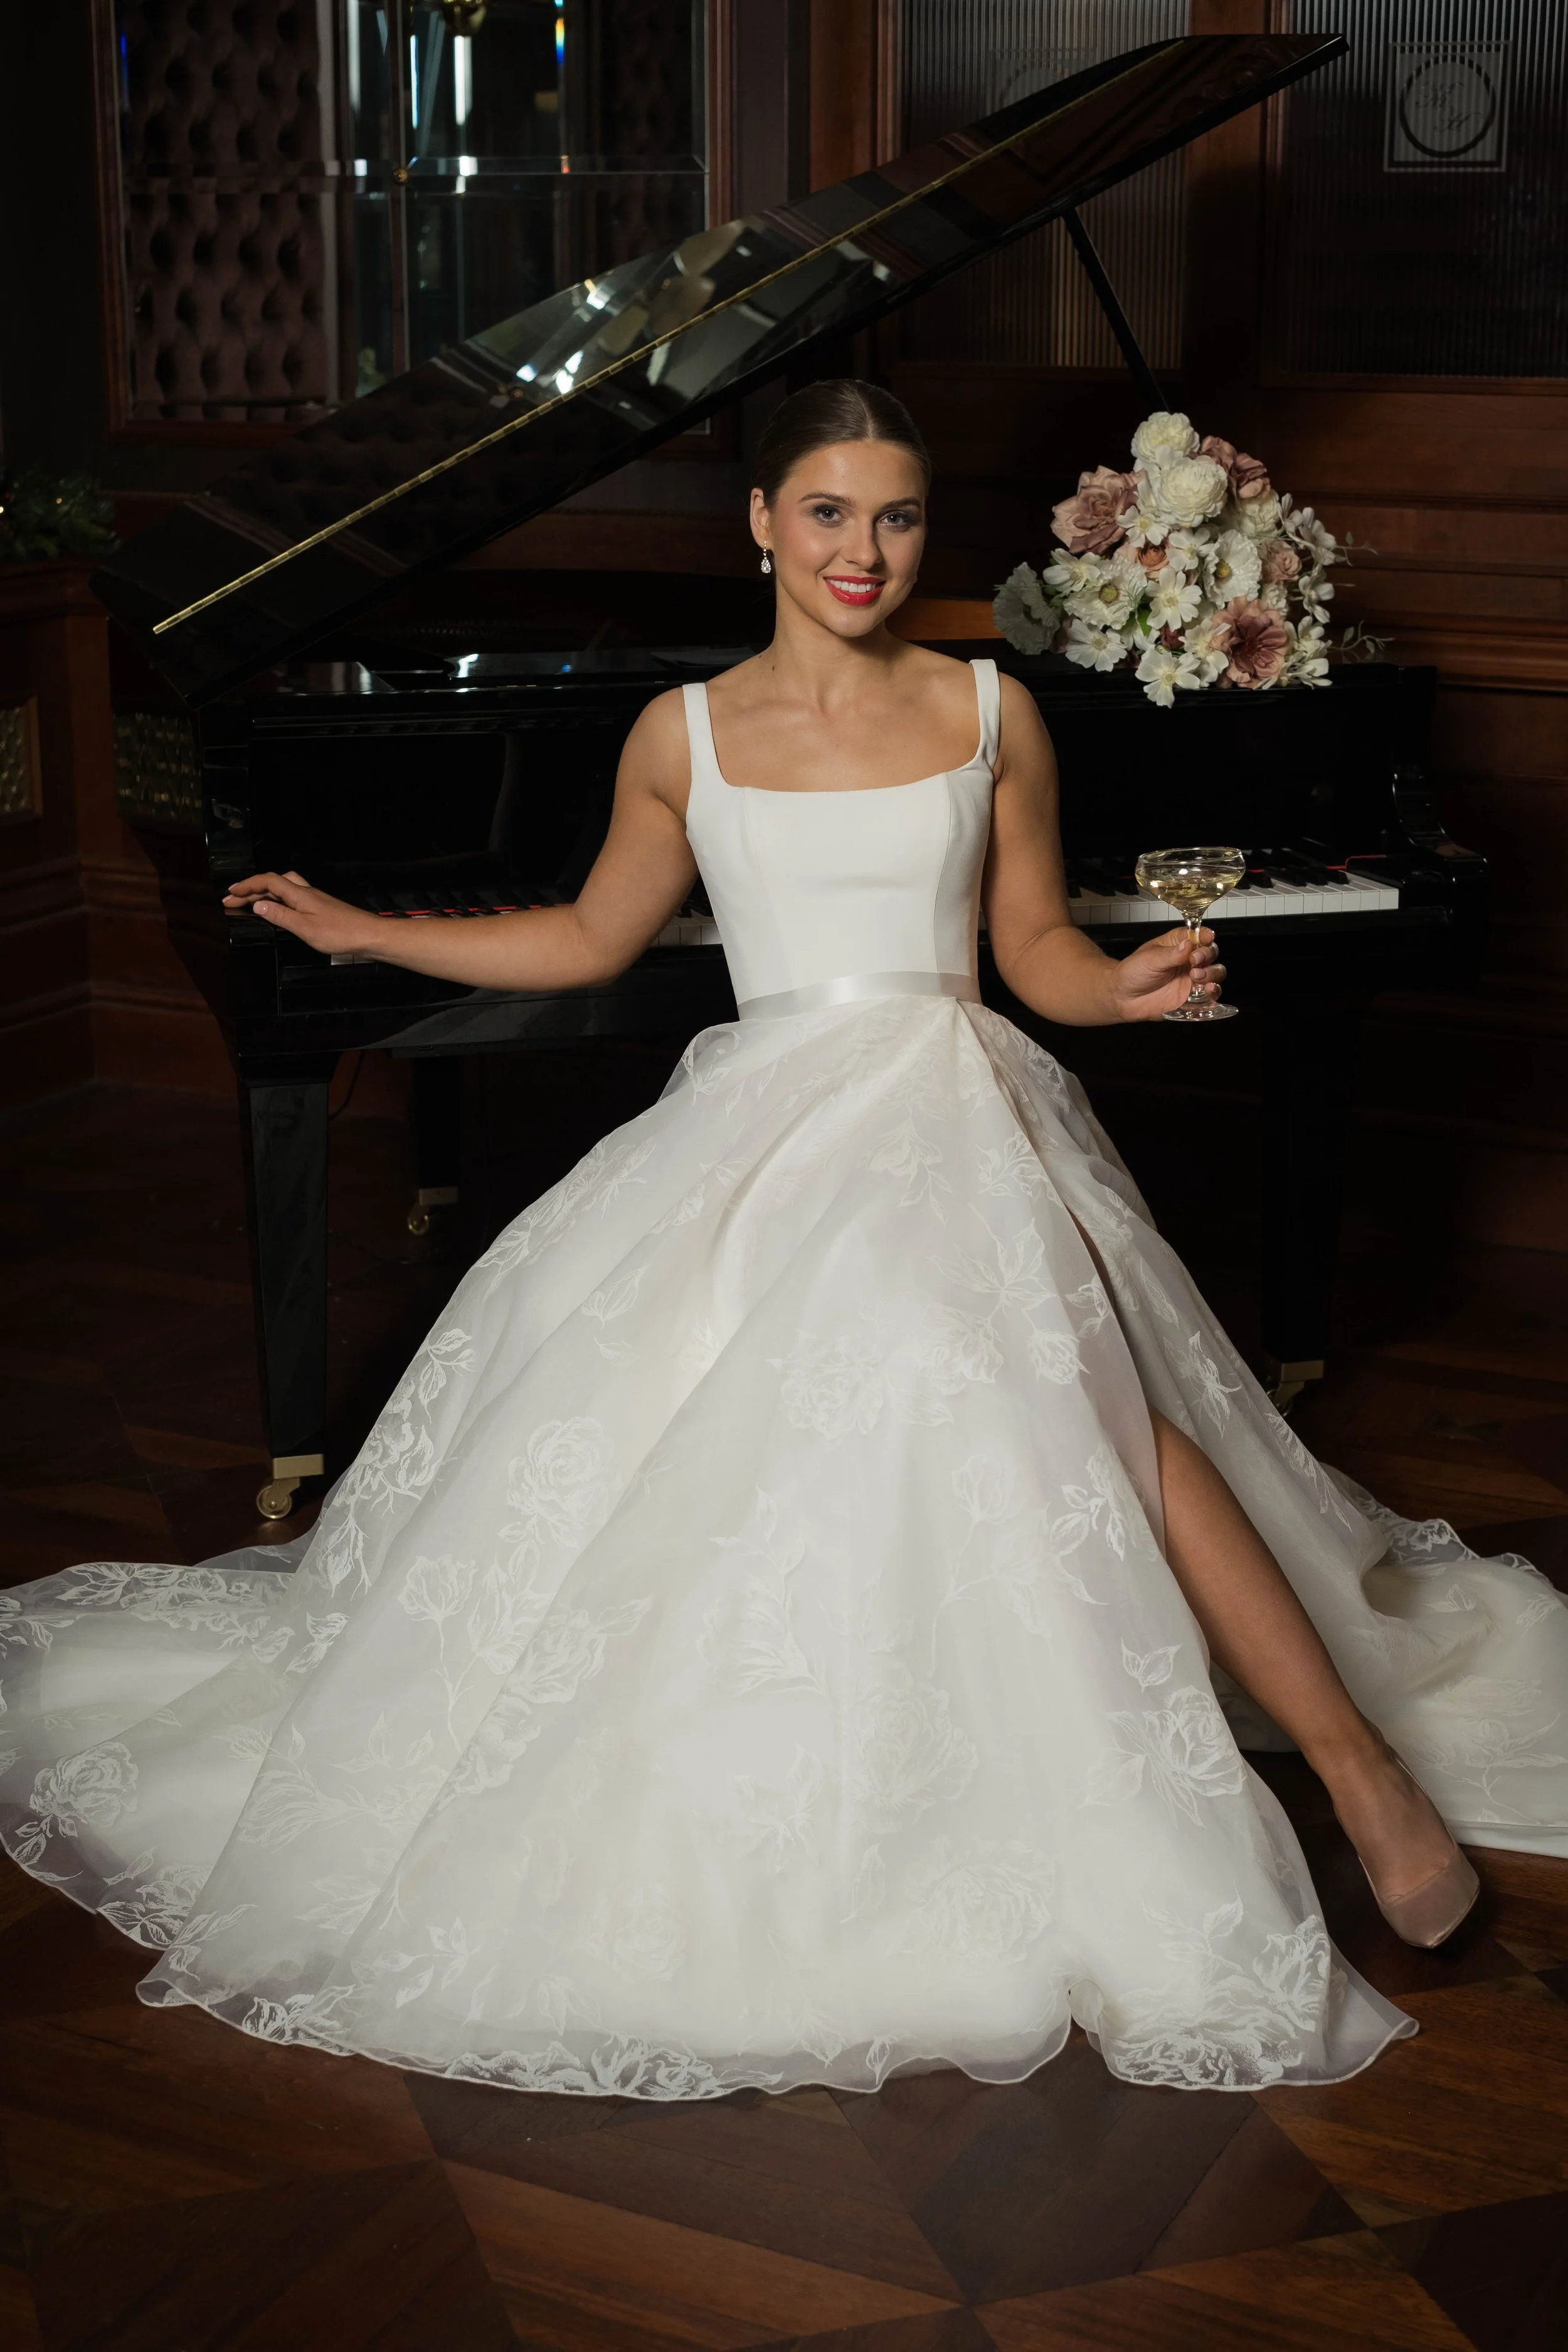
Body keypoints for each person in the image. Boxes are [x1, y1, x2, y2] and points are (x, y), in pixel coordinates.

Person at [4, 382, 1565, 2104]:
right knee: (1003, 1395)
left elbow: (1032, 947)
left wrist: (1119, 986)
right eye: (825, 513)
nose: (861, 550)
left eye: (894, 517)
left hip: (958, 1102)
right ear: (758, 521)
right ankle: (1227, 1771)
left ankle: (1360, 1778)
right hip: (762, 1129)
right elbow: (596, 939)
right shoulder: (683, 731)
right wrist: (362, 922)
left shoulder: (990, 713)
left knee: (1084, 1392)